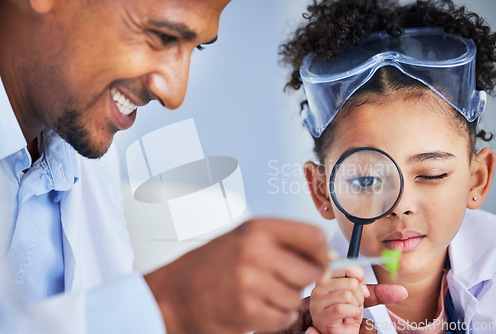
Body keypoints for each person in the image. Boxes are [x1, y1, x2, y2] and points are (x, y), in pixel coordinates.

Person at [0, 0, 407, 333]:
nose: (176, 93)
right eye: (162, 35)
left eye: (197, 47)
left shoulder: (82, 147)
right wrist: (170, 306)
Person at [279, 0, 496, 333]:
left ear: (477, 180)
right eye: (367, 181)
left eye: (432, 175)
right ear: (323, 189)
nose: (399, 207)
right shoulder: (290, 308)